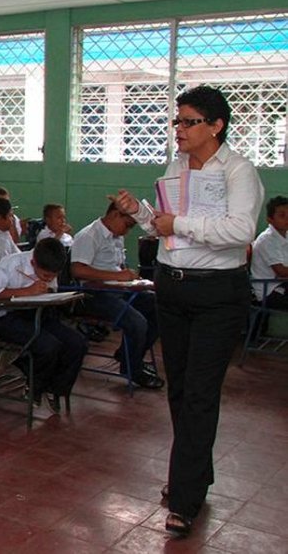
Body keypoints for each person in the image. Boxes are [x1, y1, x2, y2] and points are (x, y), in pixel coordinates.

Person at [112, 85, 263, 536]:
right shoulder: (176, 166)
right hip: (172, 286)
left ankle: (185, 497)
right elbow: (164, 225)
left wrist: (178, 223)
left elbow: (240, 230)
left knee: (200, 393)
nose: (178, 129)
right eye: (176, 121)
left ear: (215, 126)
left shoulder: (238, 171)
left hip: (217, 293)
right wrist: (141, 213)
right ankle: (193, 474)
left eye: (188, 121)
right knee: (179, 389)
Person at [0, 238, 86, 412]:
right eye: (46, 276)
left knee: (77, 343)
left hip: (39, 315)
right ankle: (34, 388)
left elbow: (51, 290)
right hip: (7, 318)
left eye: (53, 276)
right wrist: (26, 292)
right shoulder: (11, 263)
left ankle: (55, 389)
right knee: (48, 346)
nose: (49, 279)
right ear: (33, 262)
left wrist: (50, 292)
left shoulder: (50, 265)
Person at [71, 203, 164, 389]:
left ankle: (128, 356)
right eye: (127, 225)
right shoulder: (89, 235)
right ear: (114, 214)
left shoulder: (116, 236)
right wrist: (118, 276)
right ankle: (132, 369)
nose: (127, 231)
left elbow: (117, 267)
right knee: (137, 322)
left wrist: (132, 279)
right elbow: (78, 270)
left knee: (159, 308)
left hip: (118, 290)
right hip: (92, 294)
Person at [250, 196, 288, 309]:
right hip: (269, 291)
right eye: (282, 216)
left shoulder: (285, 235)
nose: (287, 219)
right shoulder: (266, 240)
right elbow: (281, 272)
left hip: (282, 284)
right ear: (270, 219)